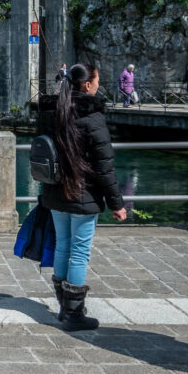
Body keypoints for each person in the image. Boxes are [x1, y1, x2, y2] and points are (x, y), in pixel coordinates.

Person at [39, 63, 126, 332]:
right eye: (98, 79)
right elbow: (104, 167)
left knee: (64, 245)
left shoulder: (53, 112)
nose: (99, 84)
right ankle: (73, 314)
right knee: (79, 252)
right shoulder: (93, 117)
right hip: (83, 193)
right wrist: (117, 204)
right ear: (87, 85)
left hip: (55, 191)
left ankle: (66, 307)